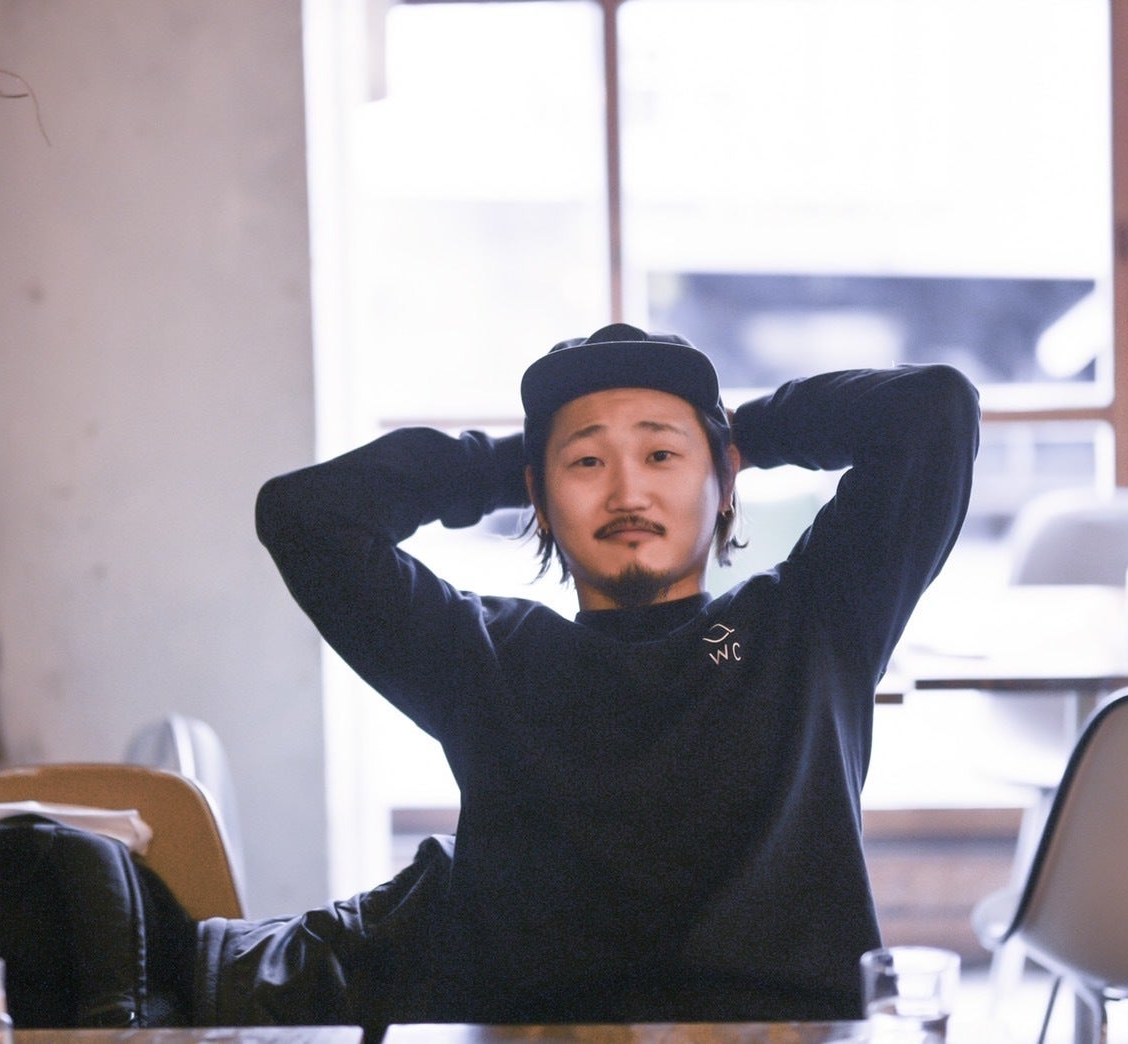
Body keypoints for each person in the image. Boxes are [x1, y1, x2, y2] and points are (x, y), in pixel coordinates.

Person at [204, 323, 979, 1030]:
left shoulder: (800, 630)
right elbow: (304, 515)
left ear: (724, 484)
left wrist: (741, 434)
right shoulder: (488, 657)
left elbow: (934, 412)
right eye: (586, 463)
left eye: (662, 455)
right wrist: (512, 467)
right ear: (539, 500)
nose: (627, 492)